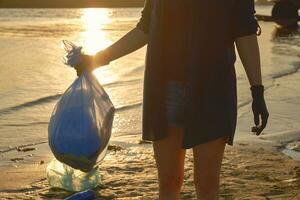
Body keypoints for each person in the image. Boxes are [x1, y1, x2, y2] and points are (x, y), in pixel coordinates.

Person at [71, 0, 269, 199]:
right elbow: (145, 28)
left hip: (213, 91)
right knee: (169, 181)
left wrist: (257, 90)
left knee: (207, 184)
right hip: (165, 93)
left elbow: (245, 31)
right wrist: (96, 60)